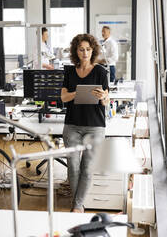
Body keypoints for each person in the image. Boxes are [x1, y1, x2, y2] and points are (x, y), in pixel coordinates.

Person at [61, 33, 110, 213]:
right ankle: (79, 205)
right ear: (76, 51)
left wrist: (104, 96)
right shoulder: (69, 71)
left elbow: (106, 100)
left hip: (95, 126)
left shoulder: (100, 71)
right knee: (73, 167)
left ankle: (76, 205)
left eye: (88, 49)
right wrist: (79, 92)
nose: (85, 53)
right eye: (81, 49)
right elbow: (64, 97)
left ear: (93, 51)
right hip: (72, 125)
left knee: (87, 168)